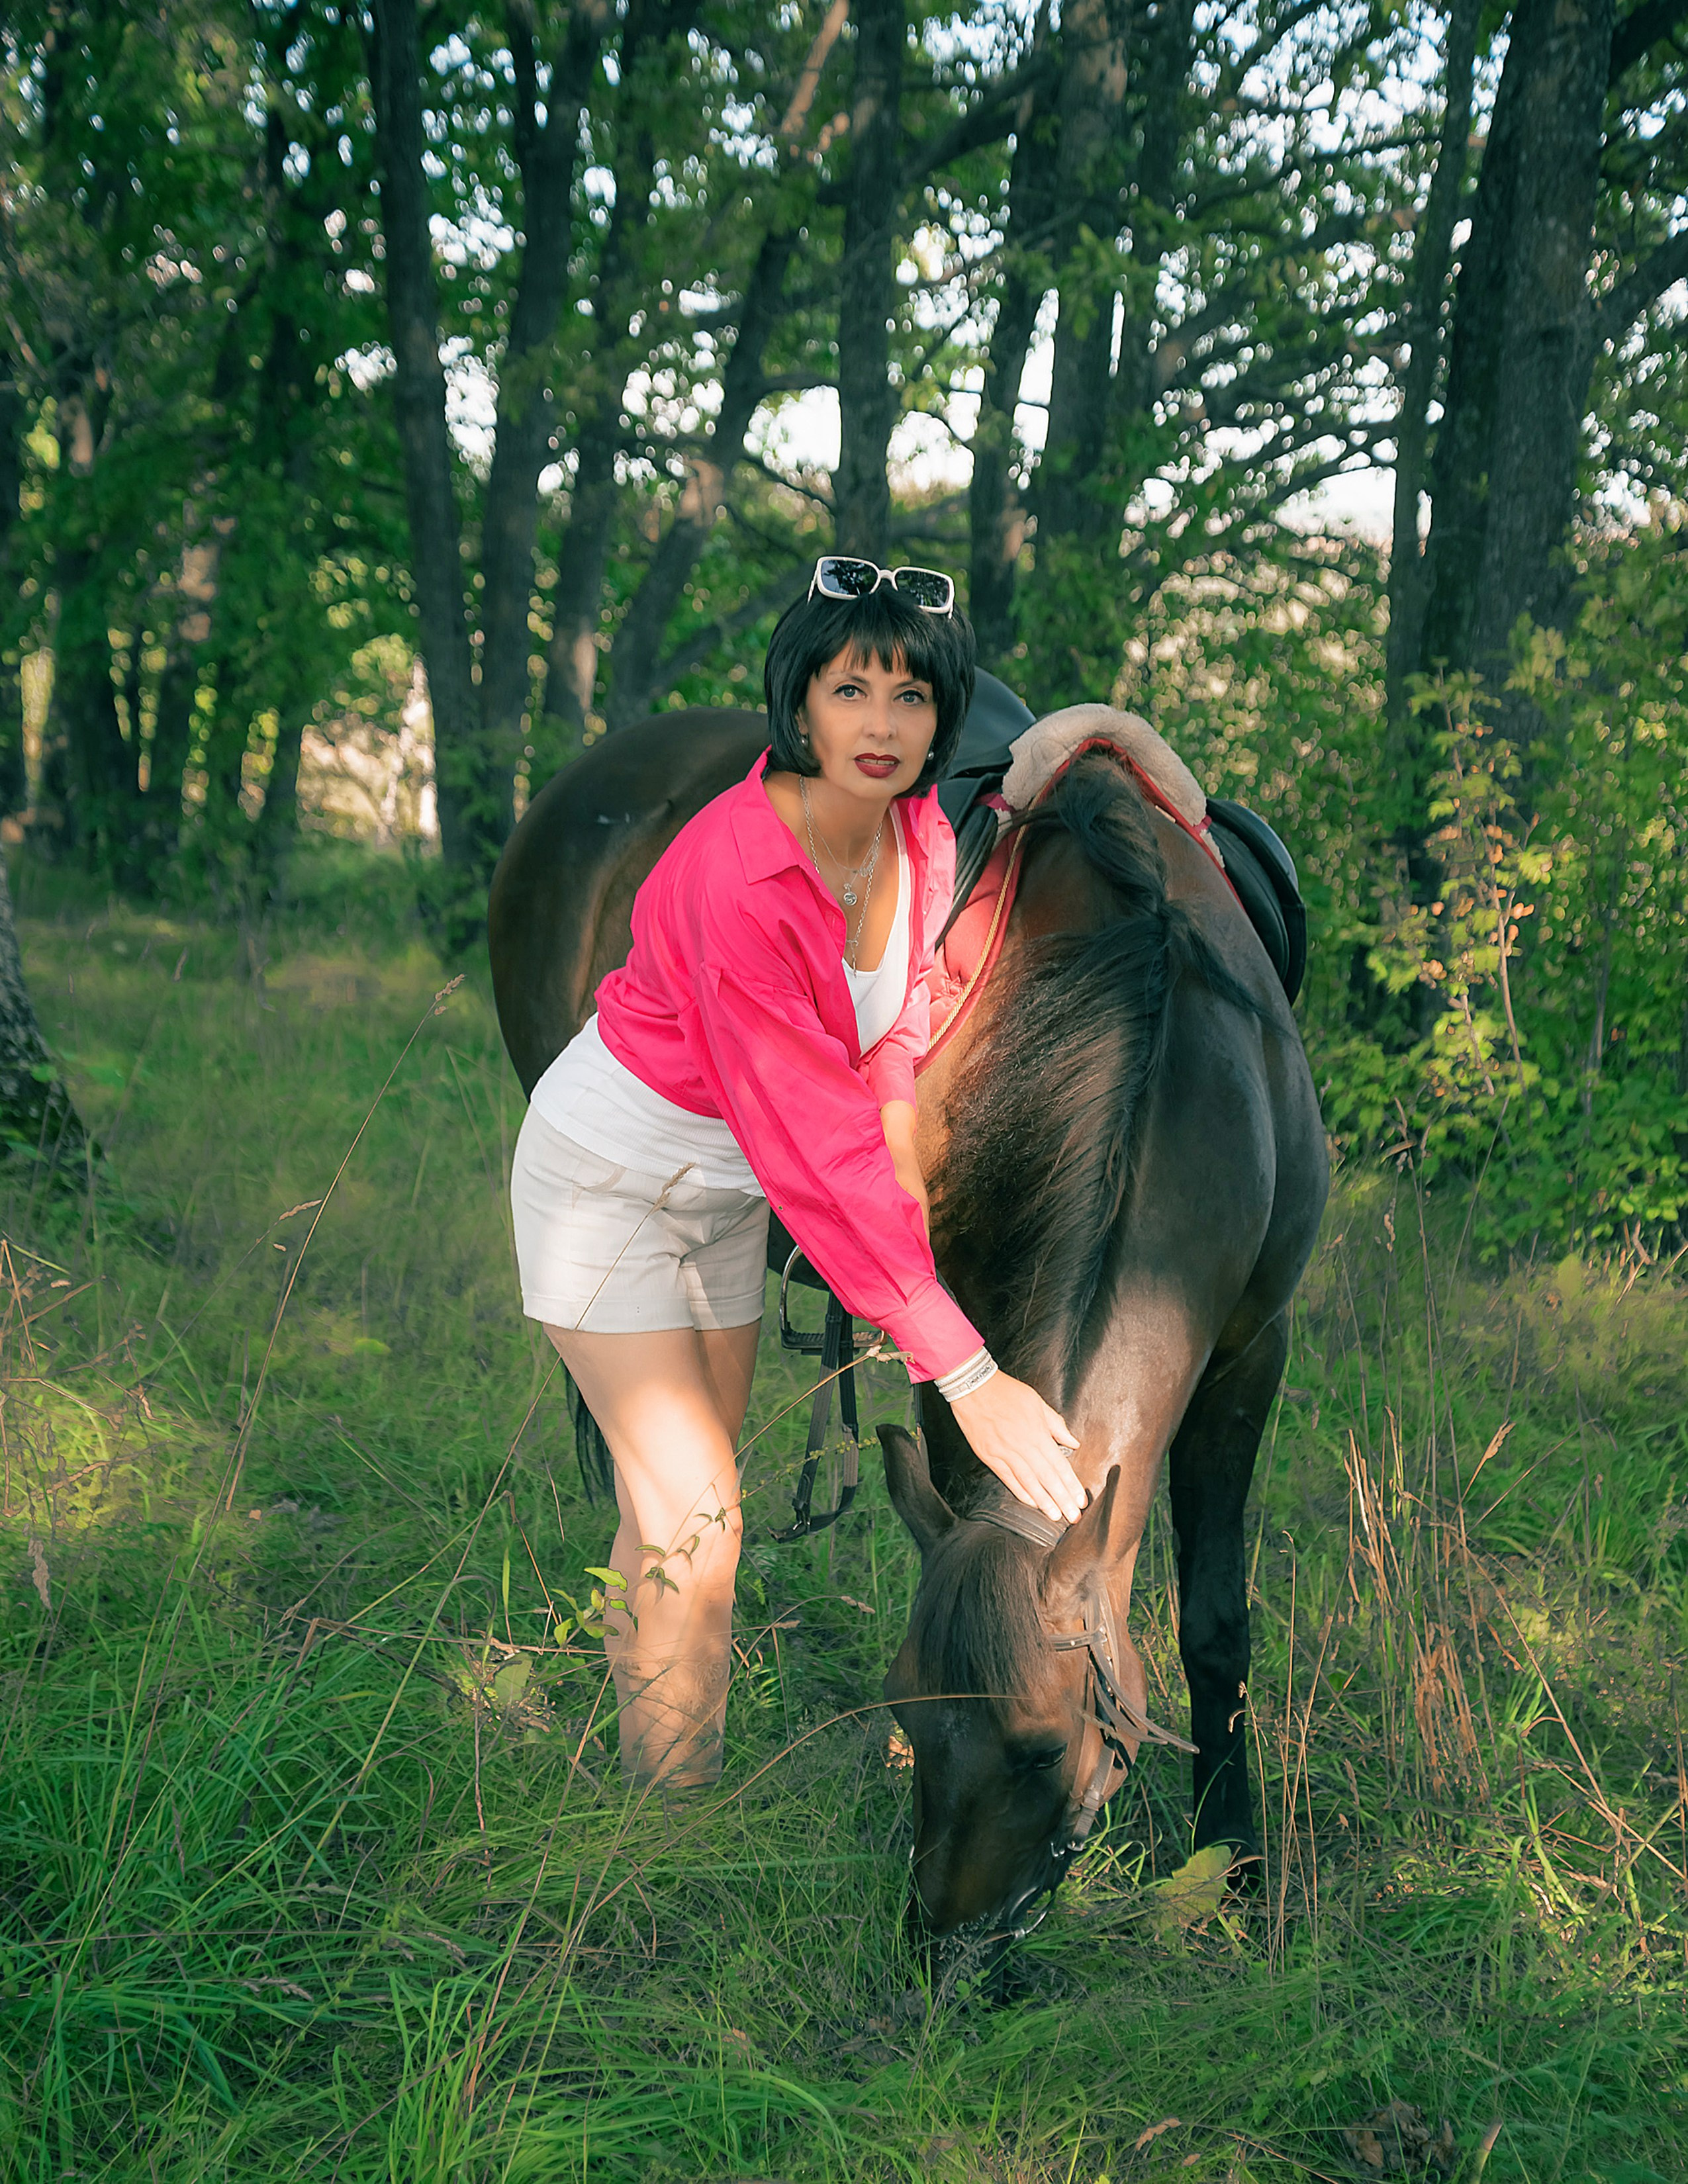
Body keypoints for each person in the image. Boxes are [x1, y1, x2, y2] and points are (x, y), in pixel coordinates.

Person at [509, 560, 1086, 1790]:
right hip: (608, 1184)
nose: (881, 725)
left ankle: (642, 1774)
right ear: (799, 701)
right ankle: (672, 1820)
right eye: (849, 689)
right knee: (700, 1519)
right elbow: (807, 1152)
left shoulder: (918, 834)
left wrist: (899, 1133)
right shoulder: (742, 876)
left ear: (943, 715)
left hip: (720, 1200)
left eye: (911, 696)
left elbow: (902, 1011)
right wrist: (967, 1374)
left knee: (679, 1513)